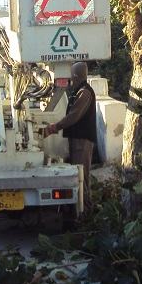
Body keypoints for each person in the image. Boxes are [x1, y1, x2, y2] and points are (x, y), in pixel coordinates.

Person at [43, 62, 96, 209]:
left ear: (76, 75)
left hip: (82, 141)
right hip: (77, 139)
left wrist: (55, 127)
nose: (70, 78)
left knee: (81, 176)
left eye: (72, 75)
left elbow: (74, 116)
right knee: (78, 175)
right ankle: (80, 208)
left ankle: (85, 210)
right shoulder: (78, 90)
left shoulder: (84, 92)